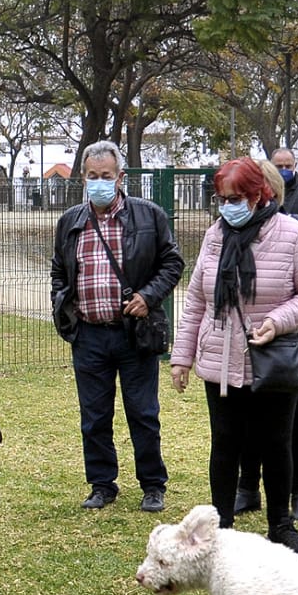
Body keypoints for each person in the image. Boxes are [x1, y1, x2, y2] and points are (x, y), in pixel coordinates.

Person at [169, 157, 298, 554]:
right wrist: (182, 355)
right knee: (225, 443)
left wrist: (278, 320)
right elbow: (196, 301)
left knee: (277, 442)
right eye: (222, 199)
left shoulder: (293, 235)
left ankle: (280, 524)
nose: (228, 206)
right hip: (220, 360)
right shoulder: (214, 236)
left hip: (275, 357)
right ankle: (220, 528)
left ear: (260, 195)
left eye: (236, 198)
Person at [50, 140, 184, 512]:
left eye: (106, 176)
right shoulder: (71, 221)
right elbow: (59, 270)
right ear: (82, 178)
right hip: (89, 335)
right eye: (92, 176)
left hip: (133, 334)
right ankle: (102, 484)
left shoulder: (148, 215)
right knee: (94, 416)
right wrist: (63, 308)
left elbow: (172, 263)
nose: (99, 183)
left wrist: (148, 296)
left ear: (120, 177)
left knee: (143, 412)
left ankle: (153, 484)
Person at [233, 149, 298, 522]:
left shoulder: (294, 229)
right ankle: (246, 487)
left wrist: (282, 318)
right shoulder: (229, 232)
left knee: (295, 418)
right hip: (246, 340)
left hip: (290, 341)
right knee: (244, 418)